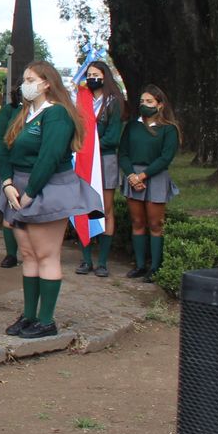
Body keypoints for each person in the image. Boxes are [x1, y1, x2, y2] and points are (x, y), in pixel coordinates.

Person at [0, 61, 104, 339]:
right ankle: (30, 315)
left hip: (47, 189)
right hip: (17, 189)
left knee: (46, 255)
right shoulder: (25, 114)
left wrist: (31, 192)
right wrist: (7, 182)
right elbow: (5, 150)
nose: (25, 84)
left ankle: (46, 320)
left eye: (30, 79)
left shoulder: (57, 115)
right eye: (24, 79)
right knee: (29, 255)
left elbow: (50, 156)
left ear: (47, 83)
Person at [120, 84, 181, 279]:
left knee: (155, 224)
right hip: (133, 177)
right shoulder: (132, 126)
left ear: (160, 104)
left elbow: (165, 158)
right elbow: (123, 153)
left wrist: (142, 176)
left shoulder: (169, 130)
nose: (144, 105)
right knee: (137, 221)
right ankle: (139, 265)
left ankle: (155, 267)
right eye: (142, 101)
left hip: (154, 176)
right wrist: (131, 175)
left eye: (149, 101)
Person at [75, 60, 127, 278]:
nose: (91, 77)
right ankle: (86, 259)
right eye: (89, 74)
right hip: (84, 160)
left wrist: (91, 145)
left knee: (105, 210)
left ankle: (103, 262)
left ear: (105, 76)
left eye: (96, 74)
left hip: (104, 160)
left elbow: (113, 137)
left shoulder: (113, 102)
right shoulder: (82, 100)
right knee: (83, 208)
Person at [0, 86, 22, 268]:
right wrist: (6, 175)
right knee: (10, 211)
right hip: (12, 169)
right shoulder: (8, 112)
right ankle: (11, 254)